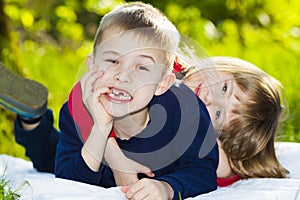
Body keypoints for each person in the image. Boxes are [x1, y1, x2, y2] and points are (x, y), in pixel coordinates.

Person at [1, 2, 219, 200]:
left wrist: (168, 187)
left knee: (54, 152)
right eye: (113, 60)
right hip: (83, 155)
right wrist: (101, 129)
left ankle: (33, 119)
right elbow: (68, 182)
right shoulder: (80, 107)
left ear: (162, 84)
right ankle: (33, 120)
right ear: (91, 65)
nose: (123, 76)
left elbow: (202, 171)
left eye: (142, 67)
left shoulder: (185, 112)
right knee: (48, 157)